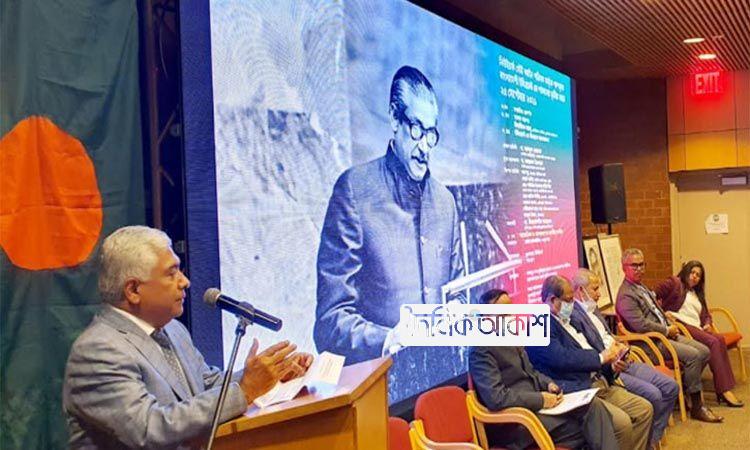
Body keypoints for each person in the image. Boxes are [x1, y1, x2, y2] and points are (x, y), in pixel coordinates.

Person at [63, 226, 313, 449]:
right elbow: (149, 428)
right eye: (171, 273)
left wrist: (269, 375)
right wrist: (245, 391)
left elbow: (205, 386)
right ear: (133, 290)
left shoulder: (173, 329)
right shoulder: (98, 351)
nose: (185, 282)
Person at [314, 65, 464, 364]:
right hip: (382, 381)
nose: (424, 147)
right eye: (416, 129)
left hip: (444, 372)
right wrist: (388, 341)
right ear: (395, 118)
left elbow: (456, 290)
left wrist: (458, 310)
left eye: (431, 133)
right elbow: (330, 322)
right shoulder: (354, 190)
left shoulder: (446, 202)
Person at [469, 289, 619, 450]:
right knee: (588, 428)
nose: (510, 317)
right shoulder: (481, 349)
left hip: (538, 408)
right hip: (518, 420)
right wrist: (540, 399)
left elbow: (531, 372)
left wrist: (549, 384)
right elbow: (496, 398)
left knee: (594, 407)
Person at [527, 275, 653, 450]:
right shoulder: (538, 324)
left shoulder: (571, 320)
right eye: (568, 300)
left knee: (644, 409)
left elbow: (592, 348)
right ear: (552, 299)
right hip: (578, 389)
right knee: (622, 423)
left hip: (601, 381)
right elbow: (562, 358)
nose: (572, 304)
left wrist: (612, 365)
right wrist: (601, 358)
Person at [571, 269, 679, 447]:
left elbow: (607, 336)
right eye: (595, 289)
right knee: (653, 396)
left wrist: (619, 343)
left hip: (623, 358)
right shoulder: (574, 316)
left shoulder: (593, 309)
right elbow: (589, 352)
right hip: (609, 369)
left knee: (670, 386)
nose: (599, 294)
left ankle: (652, 440)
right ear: (580, 291)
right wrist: (611, 355)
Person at [615, 248, 721, 423]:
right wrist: (666, 330)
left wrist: (668, 320)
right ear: (624, 267)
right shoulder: (626, 295)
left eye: (642, 264)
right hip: (650, 343)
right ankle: (697, 406)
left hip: (664, 335)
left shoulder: (641, 286)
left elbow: (656, 310)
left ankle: (685, 389)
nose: (639, 269)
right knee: (694, 356)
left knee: (704, 351)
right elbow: (641, 325)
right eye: (634, 265)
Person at [654, 260, 744, 407]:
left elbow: (706, 313)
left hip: (697, 327)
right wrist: (663, 314)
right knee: (713, 343)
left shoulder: (697, 293)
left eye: (698, 275)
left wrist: (707, 323)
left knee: (719, 339)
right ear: (686, 271)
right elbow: (652, 295)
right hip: (681, 325)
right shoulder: (675, 282)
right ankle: (723, 390)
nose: (695, 277)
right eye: (692, 272)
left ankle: (725, 387)